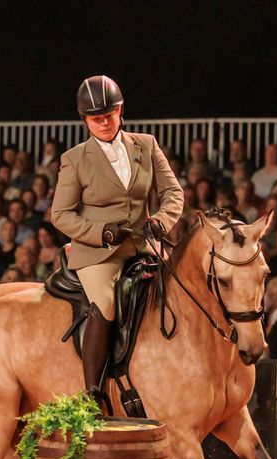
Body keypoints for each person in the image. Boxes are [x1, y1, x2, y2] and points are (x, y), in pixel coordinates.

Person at [50, 75, 183, 408]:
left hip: (144, 242)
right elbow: (61, 215)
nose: (104, 123)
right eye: (96, 119)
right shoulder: (75, 159)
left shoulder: (147, 145)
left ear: (120, 110)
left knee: (183, 286)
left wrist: (162, 221)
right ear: (85, 121)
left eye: (109, 115)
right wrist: (101, 233)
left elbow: (172, 192)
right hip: (99, 252)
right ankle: (92, 392)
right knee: (106, 304)